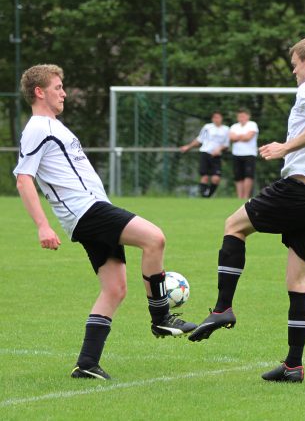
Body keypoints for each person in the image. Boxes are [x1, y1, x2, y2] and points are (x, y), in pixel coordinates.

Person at [188, 36, 305, 383]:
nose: (294, 73)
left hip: (299, 190)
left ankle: (223, 308)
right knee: (297, 281)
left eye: (295, 65)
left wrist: (288, 147)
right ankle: (294, 365)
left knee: (234, 226)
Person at [13, 64, 196, 380]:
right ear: (39, 91)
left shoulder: (54, 127)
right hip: (85, 211)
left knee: (114, 289)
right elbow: (23, 178)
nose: (64, 93)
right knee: (155, 238)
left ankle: (86, 364)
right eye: (58, 87)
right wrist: (42, 225)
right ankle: (162, 317)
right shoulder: (38, 127)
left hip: (92, 210)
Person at [179, 111, 229, 197]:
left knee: (216, 179)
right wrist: (188, 146)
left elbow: (226, 144)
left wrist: (219, 149)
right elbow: (200, 139)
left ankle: (209, 195)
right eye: (215, 117)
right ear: (212, 119)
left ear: (221, 118)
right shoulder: (207, 127)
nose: (217, 119)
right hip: (205, 153)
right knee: (204, 177)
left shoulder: (226, 129)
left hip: (216, 156)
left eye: (218, 117)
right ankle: (204, 197)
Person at [229, 108, 259, 199]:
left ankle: (245, 197)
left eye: (243, 116)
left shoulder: (252, 125)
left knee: (248, 175)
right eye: (239, 116)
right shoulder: (234, 126)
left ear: (248, 116)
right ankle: (239, 197)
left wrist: (238, 137)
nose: (241, 118)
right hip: (236, 154)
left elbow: (248, 137)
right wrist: (242, 136)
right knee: (238, 176)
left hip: (249, 154)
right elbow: (231, 138)